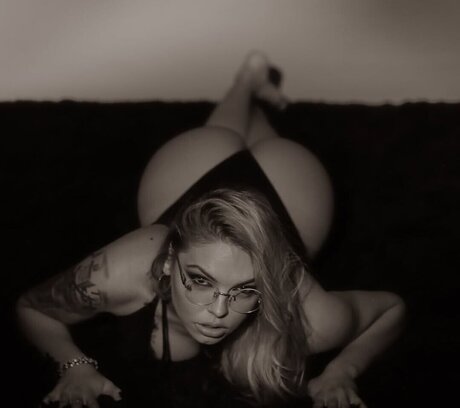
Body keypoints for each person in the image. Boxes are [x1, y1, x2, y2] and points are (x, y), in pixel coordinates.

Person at [16, 52, 405, 408]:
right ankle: (247, 81)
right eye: (200, 280)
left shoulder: (309, 316)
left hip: (289, 187)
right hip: (197, 169)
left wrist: (341, 371)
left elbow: (391, 309)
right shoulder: (126, 267)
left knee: (258, 145)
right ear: (167, 261)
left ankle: (251, 90)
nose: (219, 312)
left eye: (246, 290)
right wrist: (75, 365)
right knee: (220, 137)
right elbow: (33, 308)